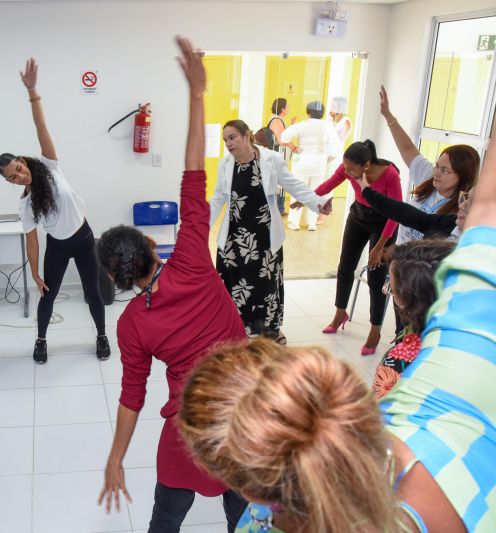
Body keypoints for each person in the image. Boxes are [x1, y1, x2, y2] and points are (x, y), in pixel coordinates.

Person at [180, 136, 496, 533]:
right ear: (338, 385)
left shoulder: (255, 524)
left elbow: (485, 213)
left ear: (252, 492)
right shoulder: (445, 403)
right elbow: (487, 212)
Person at [96, 36, 248, 532]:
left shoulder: (131, 324)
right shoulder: (191, 261)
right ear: (149, 244)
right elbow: (193, 175)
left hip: (191, 425)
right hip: (247, 411)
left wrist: (115, 458)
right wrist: (198, 95)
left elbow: (132, 395)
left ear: (116, 278)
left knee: (165, 521)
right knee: (246, 516)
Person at [0, 58, 108, 364]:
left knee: (93, 293)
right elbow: (32, 240)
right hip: (57, 246)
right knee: (48, 294)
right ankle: (41, 339)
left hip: (84, 238)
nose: (20, 176)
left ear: (22, 160)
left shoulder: (48, 165)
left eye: (18, 168)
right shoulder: (26, 204)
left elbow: (40, 125)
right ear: (9, 182)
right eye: (13, 177)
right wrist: (34, 272)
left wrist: (33, 92)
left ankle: (101, 336)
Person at [209, 119, 330, 341]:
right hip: (234, 235)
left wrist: (317, 202)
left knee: (265, 284)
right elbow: (217, 199)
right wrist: (200, 228)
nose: (228, 143)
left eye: (232, 137)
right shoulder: (225, 164)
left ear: (247, 136)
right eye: (225, 140)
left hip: (264, 233)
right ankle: (237, 327)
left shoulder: (271, 160)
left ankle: (268, 329)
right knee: (234, 283)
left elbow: (293, 184)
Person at [307, 140, 402, 355]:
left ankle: (375, 329)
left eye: (351, 169)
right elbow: (330, 183)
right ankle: (341, 313)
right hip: (358, 216)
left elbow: (395, 214)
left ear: (366, 165)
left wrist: (378, 248)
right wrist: (307, 199)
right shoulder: (348, 167)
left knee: (376, 277)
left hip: (385, 222)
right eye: (345, 167)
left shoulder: (390, 176)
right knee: (345, 266)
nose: (347, 172)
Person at [380, 86, 479, 244]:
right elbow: (407, 149)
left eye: (445, 170)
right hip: (399, 259)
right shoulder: (429, 177)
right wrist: (388, 116)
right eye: (437, 166)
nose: (437, 172)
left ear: (462, 176)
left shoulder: (460, 211)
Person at [372, 239, 455, 399]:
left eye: (393, 290)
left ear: (412, 302)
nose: (386, 292)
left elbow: (380, 417)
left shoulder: (400, 362)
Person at [280, 101, 341, 231]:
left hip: (302, 161)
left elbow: (284, 137)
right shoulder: (327, 126)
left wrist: (293, 147)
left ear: (308, 113)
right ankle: (311, 223)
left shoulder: (302, 125)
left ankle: (294, 223)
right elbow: (336, 148)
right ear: (322, 113)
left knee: (298, 192)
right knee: (316, 193)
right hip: (319, 163)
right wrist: (326, 158)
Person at [316, 96, 353, 226]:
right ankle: (325, 210)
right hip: (325, 156)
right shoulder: (331, 121)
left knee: (328, 184)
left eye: (334, 106)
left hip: (335, 157)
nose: (330, 108)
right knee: (322, 183)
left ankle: (323, 213)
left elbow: (338, 142)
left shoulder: (345, 121)